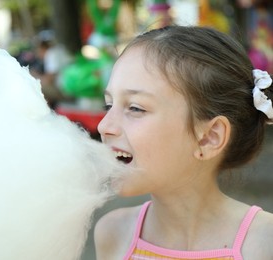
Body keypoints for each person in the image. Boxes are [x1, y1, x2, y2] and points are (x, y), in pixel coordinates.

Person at [94, 25, 273, 260]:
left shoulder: (264, 243)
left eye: (135, 108)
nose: (104, 126)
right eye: (109, 105)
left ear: (209, 137)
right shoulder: (112, 233)